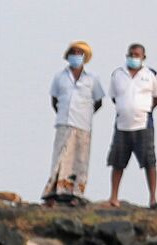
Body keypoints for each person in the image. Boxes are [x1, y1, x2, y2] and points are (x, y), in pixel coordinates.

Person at [42, 41, 105, 206]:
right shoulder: (60, 77)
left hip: (83, 124)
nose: (76, 56)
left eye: (79, 53)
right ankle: (55, 191)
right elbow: (54, 99)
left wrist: (86, 114)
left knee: (80, 159)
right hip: (64, 122)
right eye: (73, 52)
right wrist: (63, 113)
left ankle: (75, 192)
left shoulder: (92, 79)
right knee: (61, 156)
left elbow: (99, 101)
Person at [107, 43, 157, 207]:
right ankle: (114, 197)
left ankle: (153, 198)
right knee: (117, 162)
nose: (133, 57)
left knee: (149, 161)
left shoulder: (151, 75)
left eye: (137, 55)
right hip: (122, 125)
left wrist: (144, 109)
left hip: (143, 125)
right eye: (131, 54)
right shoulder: (117, 74)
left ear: (143, 57)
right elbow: (114, 97)